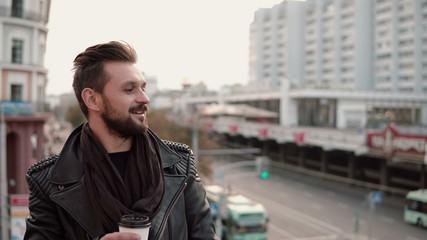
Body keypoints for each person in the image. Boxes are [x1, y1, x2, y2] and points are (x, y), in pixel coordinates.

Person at [24, 41, 217, 240]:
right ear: (92, 99)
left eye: (143, 87)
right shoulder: (48, 183)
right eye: (129, 89)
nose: (144, 98)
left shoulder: (180, 164)